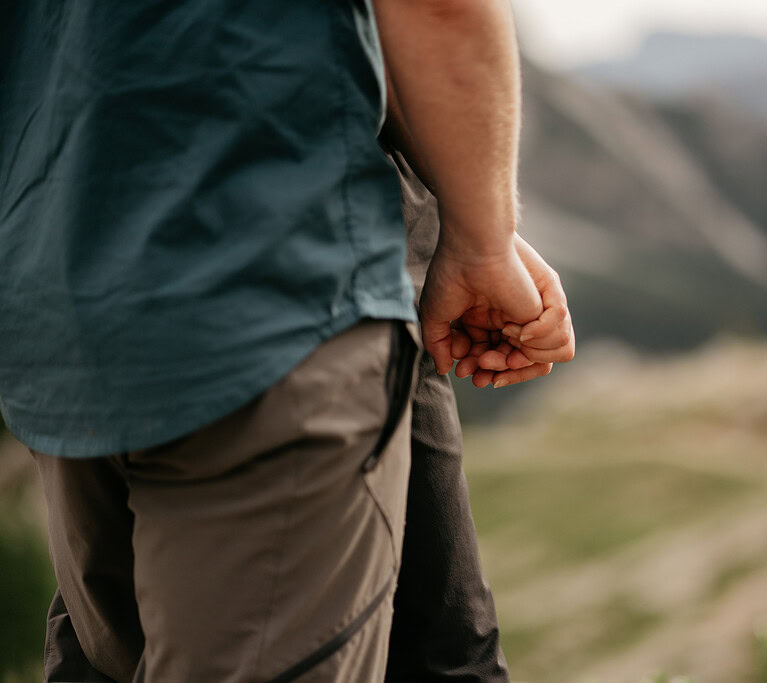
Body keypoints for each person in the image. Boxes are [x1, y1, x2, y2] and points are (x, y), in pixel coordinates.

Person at [0, 1, 573, 681]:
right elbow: (436, 9)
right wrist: (481, 242)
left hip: (62, 305)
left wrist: (479, 227)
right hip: (275, 298)